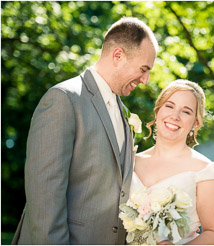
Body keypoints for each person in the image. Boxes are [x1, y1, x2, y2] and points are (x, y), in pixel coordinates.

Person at [13, 17, 159, 244]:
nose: (145, 80)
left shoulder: (124, 112)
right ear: (118, 56)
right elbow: (45, 198)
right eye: (143, 69)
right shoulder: (64, 100)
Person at [131, 80, 214, 244]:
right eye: (169, 106)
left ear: (195, 123)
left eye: (186, 111)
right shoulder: (130, 162)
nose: (174, 116)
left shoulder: (205, 172)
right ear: (157, 111)